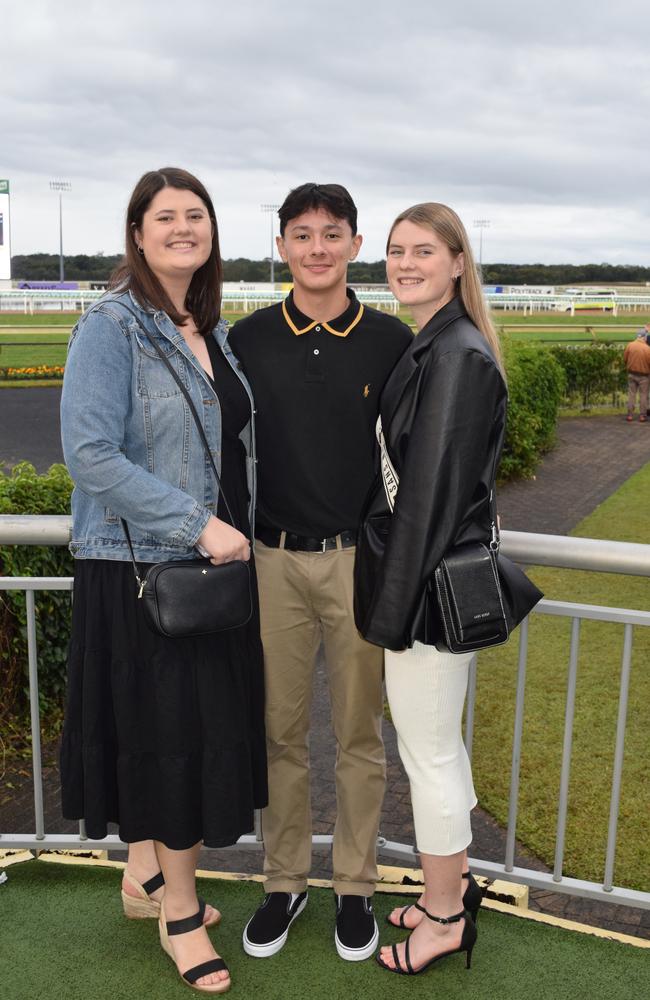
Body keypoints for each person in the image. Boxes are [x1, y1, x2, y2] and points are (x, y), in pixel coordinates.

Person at [60, 167, 267, 994]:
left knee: (163, 740)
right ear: (138, 234)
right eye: (166, 217)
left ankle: (143, 876)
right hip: (146, 573)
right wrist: (199, 525)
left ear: (211, 232)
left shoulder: (206, 327)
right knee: (175, 747)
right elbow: (89, 454)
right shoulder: (112, 325)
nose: (184, 227)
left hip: (204, 579)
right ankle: (181, 914)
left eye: (197, 215)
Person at [228, 183, 412, 962]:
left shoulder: (392, 340)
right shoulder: (246, 337)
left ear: (355, 243)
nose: (316, 248)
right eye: (301, 235)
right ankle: (284, 882)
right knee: (280, 734)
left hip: (355, 564)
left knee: (360, 737)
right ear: (280, 247)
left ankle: (356, 888)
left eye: (331, 233)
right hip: (269, 560)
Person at [354, 202, 508, 976]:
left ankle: (445, 916)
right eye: (394, 251)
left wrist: (390, 614)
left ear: (456, 261)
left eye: (422, 250)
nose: (404, 263)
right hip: (426, 585)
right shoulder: (440, 342)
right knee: (436, 747)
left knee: (430, 758)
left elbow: (427, 503)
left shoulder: (456, 355)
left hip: (425, 597)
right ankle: (450, 889)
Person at [623, 330, 650, 422]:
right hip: (644, 375)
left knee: (631, 394)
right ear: (644, 337)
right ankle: (642, 416)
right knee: (643, 395)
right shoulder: (647, 348)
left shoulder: (630, 345)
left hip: (631, 373)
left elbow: (625, 358)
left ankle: (630, 415)